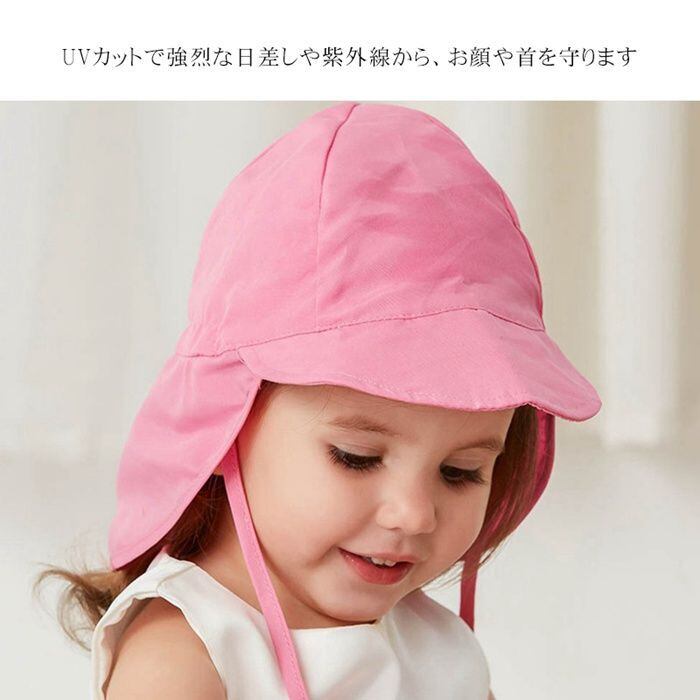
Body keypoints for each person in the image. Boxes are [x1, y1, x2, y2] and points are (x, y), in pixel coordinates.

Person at [35, 101, 601, 699]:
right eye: (357, 457)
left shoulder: (436, 645)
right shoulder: (187, 657)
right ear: (227, 424)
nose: (414, 514)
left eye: (461, 472)